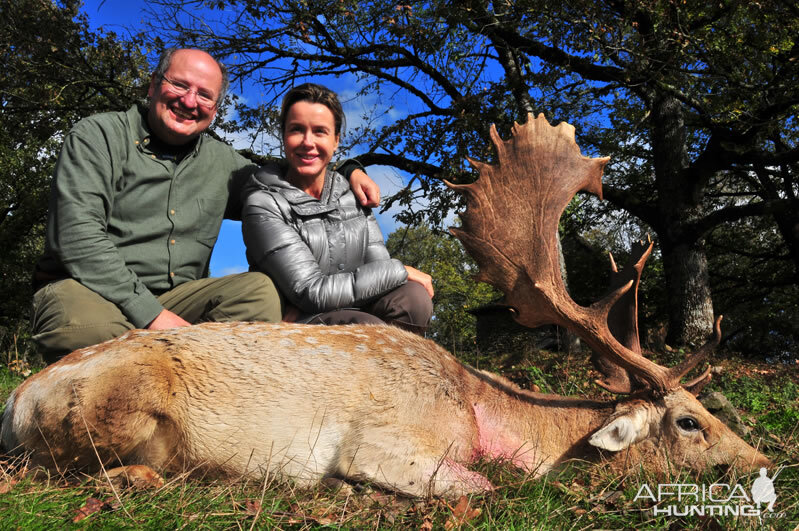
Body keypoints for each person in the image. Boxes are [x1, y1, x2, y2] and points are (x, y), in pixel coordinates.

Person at [31, 49, 380, 362]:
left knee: (261, 294)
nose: (189, 100)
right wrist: (155, 318)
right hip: (90, 291)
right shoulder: (98, 136)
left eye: (204, 95)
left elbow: (290, 181)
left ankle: (196, 394)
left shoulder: (225, 164)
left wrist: (348, 170)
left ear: (214, 109)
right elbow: (77, 237)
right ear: (153, 85)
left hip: (180, 300)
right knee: (84, 332)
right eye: (179, 85)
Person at [241, 83, 433, 334]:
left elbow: (378, 268)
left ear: (336, 141)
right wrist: (400, 270)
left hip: (352, 306)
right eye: (297, 130)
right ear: (283, 136)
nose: (308, 142)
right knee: (368, 329)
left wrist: (392, 274)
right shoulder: (263, 204)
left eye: (320, 132)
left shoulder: (354, 195)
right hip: (296, 320)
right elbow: (311, 292)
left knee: (414, 300)